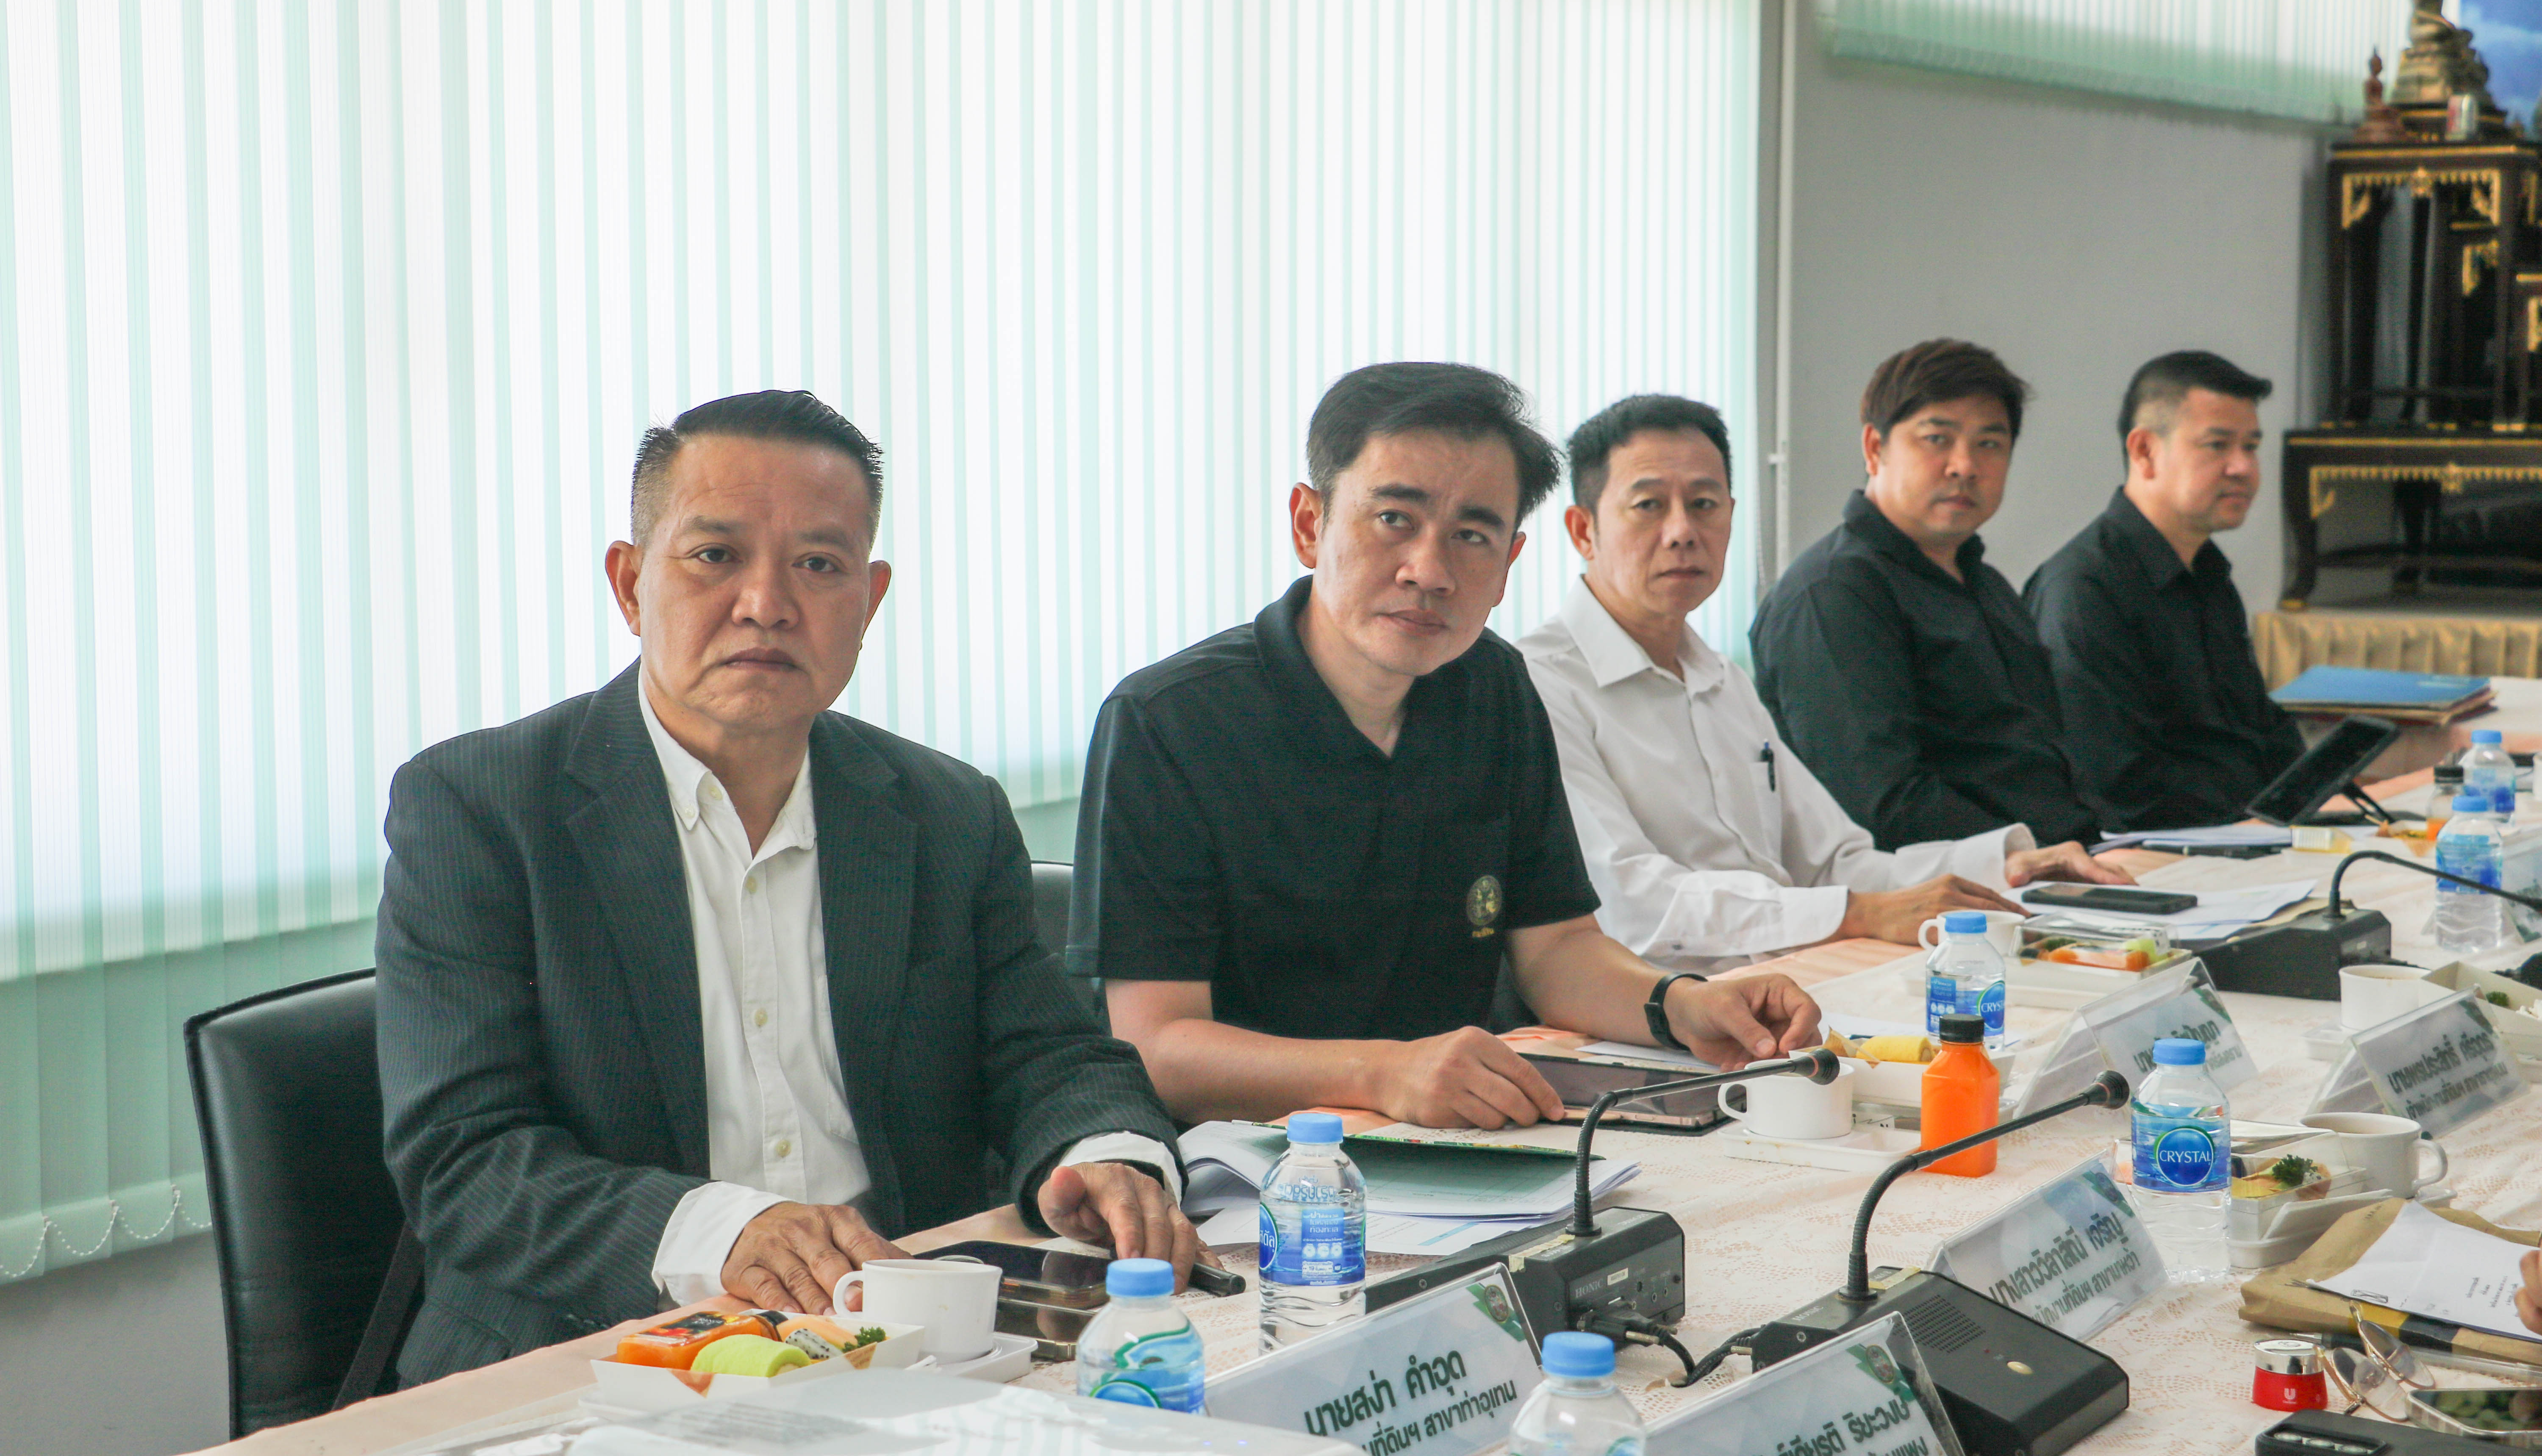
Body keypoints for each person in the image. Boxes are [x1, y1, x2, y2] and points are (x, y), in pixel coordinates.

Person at [376, 391, 1197, 1386]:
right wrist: (728, 1229)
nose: (766, 602)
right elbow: (465, 1160)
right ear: (630, 583)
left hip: (898, 1348)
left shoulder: (947, 812)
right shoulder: (482, 807)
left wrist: (1108, 1152)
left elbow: (1047, 1052)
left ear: (870, 599)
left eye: (818, 564)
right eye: (715, 555)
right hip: (596, 1358)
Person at [1070, 363, 1822, 1131]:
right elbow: (1156, 1046)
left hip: (1458, 1141)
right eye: (1394, 519)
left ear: (1507, 567)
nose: (1429, 571)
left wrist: (1682, 1003)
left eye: (1471, 535)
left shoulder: (1496, 689)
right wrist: (1384, 1074)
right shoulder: (1169, 722)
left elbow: (1557, 949)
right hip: (1249, 1163)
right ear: (1309, 525)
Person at [1518, 396, 2131, 974]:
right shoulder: (1538, 686)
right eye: (1648, 505)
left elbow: (1835, 863)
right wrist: (1856, 913)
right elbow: (1631, 901)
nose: (1682, 531)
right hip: (1655, 1017)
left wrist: (2006, 867)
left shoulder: (1721, 680)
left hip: (1795, 984)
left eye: (1704, 504)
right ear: (1583, 531)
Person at [1750, 340, 2101, 851]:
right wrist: (2034, 855)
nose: (1965, 466)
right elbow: (1883, 805)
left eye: (1990, 443)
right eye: (1937, 439)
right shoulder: (1833, 593)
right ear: (1875, 448)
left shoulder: (1988, 586)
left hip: (2063, 861)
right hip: (1958, 886)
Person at [2024, 352, 2305, 832]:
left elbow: (2261, 735)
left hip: (2245, 833)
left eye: (2251, 446)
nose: (2243, 467)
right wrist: (2262, 820)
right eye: (2217, 445)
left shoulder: (2208, 573)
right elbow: (2116, 786)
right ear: (2145, 452)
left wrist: (2312, 798)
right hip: (2158, 852)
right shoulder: (2082, 589)